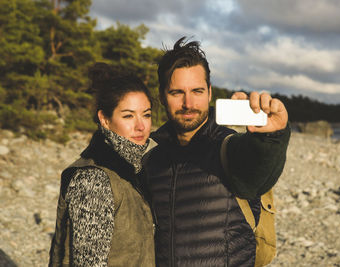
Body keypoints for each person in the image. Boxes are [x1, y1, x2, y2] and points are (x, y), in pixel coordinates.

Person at [143, 37, 291, 266]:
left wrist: (270, 137)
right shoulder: (152, 162)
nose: (188, 103)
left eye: (197, 91)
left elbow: (257, 165)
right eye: (176, 93)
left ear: (210, 93)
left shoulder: (227, 148)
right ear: (162, 96)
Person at [49, 63, 155, 267]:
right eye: (128, 115)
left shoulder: (132, 170)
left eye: (147, 114)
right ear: (105, 119)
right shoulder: (94, 180)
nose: (141, 126)